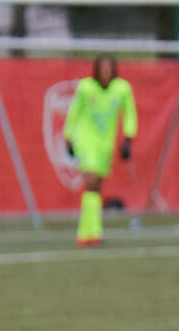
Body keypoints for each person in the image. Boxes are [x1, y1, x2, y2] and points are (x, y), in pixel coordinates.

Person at [64, 54, 137, 247]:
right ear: (96, 70)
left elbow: (129, 113)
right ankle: (88, 233)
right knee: (91, 182)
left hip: (105, 145)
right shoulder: (86, 88)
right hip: (85, 141)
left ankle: (90, 233)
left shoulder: (122, 89)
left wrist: (129, 138)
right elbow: (74, 112)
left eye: (109, 68)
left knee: (95, 188)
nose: (105, 72)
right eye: (102, 68)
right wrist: (68, 137)